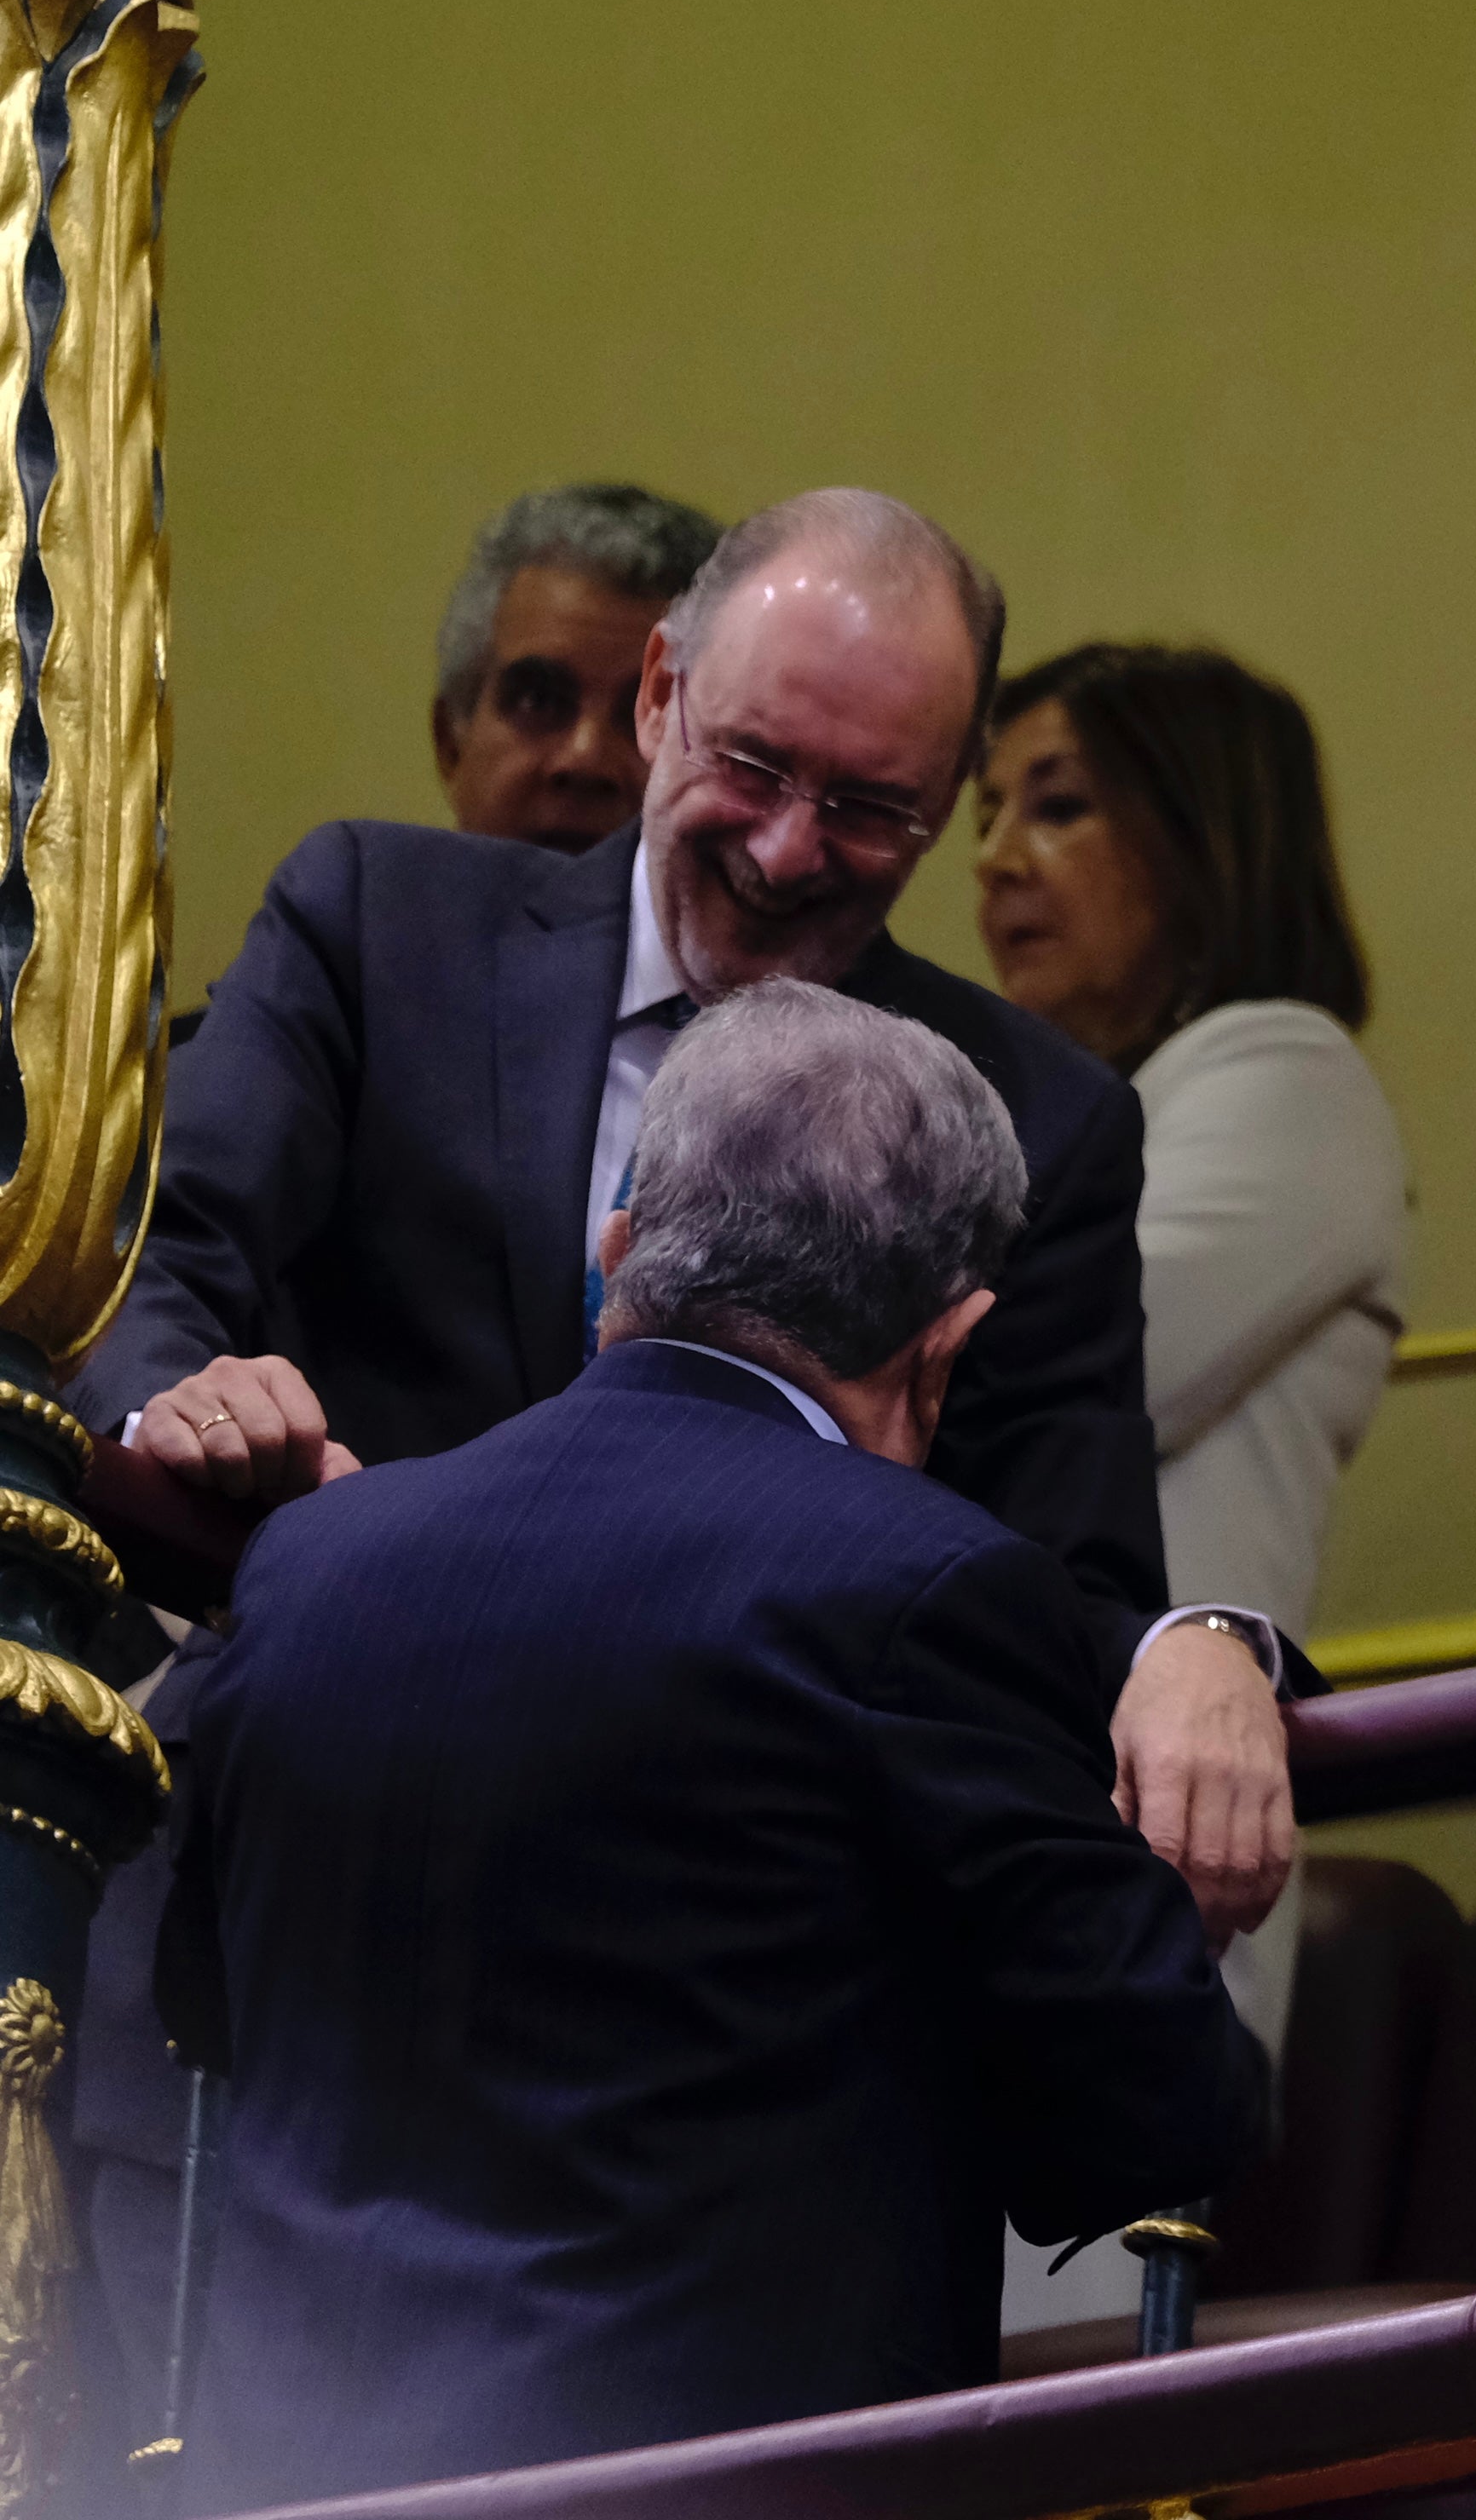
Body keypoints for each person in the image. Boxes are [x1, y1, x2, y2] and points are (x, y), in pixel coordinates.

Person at [63, 487, 1296, 2418]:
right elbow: (141, 1276)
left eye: (875, 809)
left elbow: (1071, 1571)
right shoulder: (382, 923)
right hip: (293, 2053)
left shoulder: (1035, 1118)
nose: (797, 850)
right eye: (754, 765)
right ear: (661, 698)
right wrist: (181, 1413)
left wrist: (1200, 1633)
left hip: (729, 2120)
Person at [159, 982, 1268, 2506]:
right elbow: (1160, 2104)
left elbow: (203, 1999)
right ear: (949, 1344)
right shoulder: (925, 1587)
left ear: (617, 1248)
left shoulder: (314, 1561)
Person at [971, 640, 1406, 2326]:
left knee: (1020, 2419)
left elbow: (1008, 1391)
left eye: (1059, 805)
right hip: (970, 1865)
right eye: (990, 814)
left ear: (1199, 829)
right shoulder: (1057, 1118)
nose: (1000, 856)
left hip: (1120, 1883)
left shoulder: (1279, 1076)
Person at [429, 481, 724, 852]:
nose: (586, 760)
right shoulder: (348, 896)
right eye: (538, 702)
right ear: (451, 743)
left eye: (652, 717)